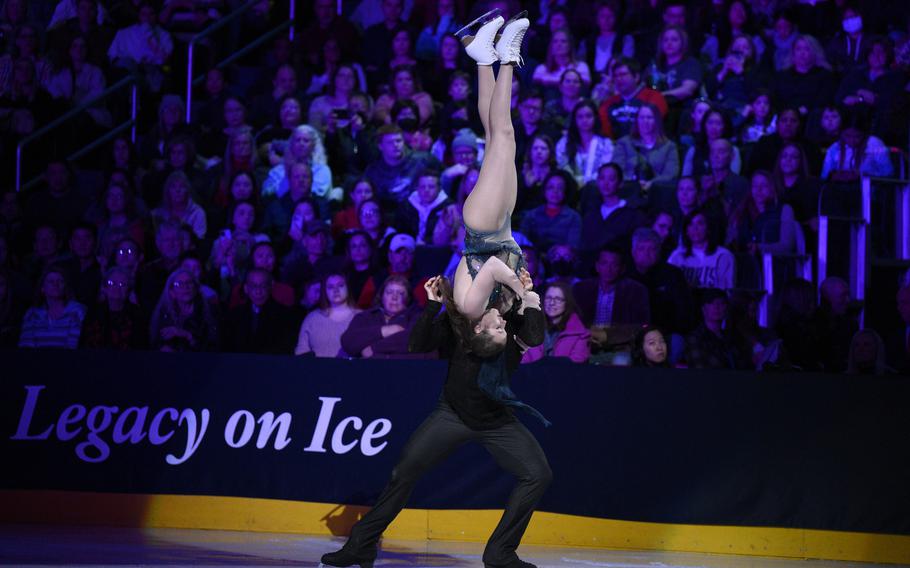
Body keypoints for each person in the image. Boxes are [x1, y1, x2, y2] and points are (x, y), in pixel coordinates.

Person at [321, 14, 552, 568]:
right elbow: (520, 330)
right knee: (503, 136)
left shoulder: (474, 310)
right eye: (502, 327)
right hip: (456, 400)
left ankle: (499, 55)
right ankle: (485, 53)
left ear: (482, 331)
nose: (502, 328)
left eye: (497, 327)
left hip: (485, 242)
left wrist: (516, 297)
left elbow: (513, 320)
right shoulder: (487, 313)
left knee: (504, 136)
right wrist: (523, 295)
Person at [573, 244, 650, 361]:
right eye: (604, 263)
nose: (609, 269)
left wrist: (608, 336)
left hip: (620, 345)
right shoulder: (581, 289)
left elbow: (640, 325)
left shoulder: (636, 291)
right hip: (585, 341)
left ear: (622, 268)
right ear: (597, 266)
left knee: (622, 361)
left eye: (614, 264)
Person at [339, 274, 425, 359]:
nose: (394, 297)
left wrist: (374, 349)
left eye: (400, 293)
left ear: (408, 299)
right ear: (382, 296)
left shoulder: (416, 317)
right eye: (389, 292)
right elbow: (348, 341)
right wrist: (384, 331)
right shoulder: (365, 317)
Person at [222, 269, 300, 354]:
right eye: (253, 286)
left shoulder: (285, 315)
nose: (258, 291)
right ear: (246, 288)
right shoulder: (234, 315)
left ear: (270, 287)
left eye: (263, 286)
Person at [611, 103, 680, 193]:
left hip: (659, 191)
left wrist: (651, 183)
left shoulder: (669, 146)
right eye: (641, 117)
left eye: (649, 118)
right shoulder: (624, 143)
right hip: (628, 190)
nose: (645, 121)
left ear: (657, 120)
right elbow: (617, 170)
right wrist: (635, 183)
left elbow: (671, 173)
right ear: (637, 120)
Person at [597, 57, 667, 140]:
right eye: (615, 76)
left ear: (636, 77)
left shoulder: (654, 97)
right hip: (617, 148)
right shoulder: (608, 104)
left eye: (623, 74)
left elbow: (654, 125)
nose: (618, 79)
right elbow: (605, 134)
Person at [148, 268, 219, 352]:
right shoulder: (164, 314)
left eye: (189, 283)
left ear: (196, 288)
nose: (185, 287)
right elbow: (156, 343)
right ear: (171, 292)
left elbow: (212, 346)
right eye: (179, 284)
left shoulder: (208, 312)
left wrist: (187, 335)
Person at [18, 265, 87, 349]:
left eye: (60, 281)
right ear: (42, 288)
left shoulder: (77, 311)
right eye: (51, 281)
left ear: (66, 287)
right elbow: (26, 347)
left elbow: (72, 346)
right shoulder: (32, 314)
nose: (56, 284)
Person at [521, 280, 590, 363]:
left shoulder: (580, 334)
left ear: (567, 303)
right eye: (548, 298)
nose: (552, 303)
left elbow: (576, 366)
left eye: (558, 299)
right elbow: (524, 362)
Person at [79, 266, 147, 350]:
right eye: (111, 283)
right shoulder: (93, 312)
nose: (116, 287)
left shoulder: (137, 315)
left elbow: (140, 348)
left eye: (122, 284)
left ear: (128, 290)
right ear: (104, 288)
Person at [295, 272, 360, 357]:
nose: (336, 290)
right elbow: (301, 352)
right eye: (330, 287)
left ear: (348, 288)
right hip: (317, 369)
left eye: (340, 285)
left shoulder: (361, 316)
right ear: (324, 291)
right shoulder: (312, 318)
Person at [668, 210, 736, 290]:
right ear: (686, 231)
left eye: (700, 224)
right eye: (690, 224)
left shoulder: (723, 256)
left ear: (708, 228)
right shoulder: (677, 256)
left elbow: (728, 290)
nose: (695, 228)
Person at [519, 170, 582, 251]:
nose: (555, 191)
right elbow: (522, 243)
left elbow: (573, 246)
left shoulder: (574, 217)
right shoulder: (531, 216)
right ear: (544, 190)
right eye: (551, 187)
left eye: (560, 188)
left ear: (565, 191)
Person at [555, 99, 614, 186]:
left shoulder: (605, 143)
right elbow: (563, 166)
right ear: (574, 119)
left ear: (595, 118)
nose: (584, 120)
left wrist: (586, 182)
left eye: (588, 116)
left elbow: (605, 169)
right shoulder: (564, 143)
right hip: (570, 187)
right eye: (580, 117)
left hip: (597, 187)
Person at [685, 288, 747, 369]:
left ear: (726, 308)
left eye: (721, 303)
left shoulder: (731, 338)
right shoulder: (695, 338)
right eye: (711, 303)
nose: (717, 307)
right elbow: (699, 369)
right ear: (703, 308)